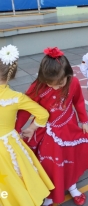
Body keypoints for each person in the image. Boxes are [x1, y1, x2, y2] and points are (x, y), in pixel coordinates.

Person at [15, 47, 88, 206]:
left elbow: (78, 101)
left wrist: (84, 120)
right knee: (49, 163)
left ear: (68, 74)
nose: (56, 87)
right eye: (51, 84)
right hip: (45, 131)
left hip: (68, 127)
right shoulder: (37, 87)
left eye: (60, 83)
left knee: (69, 156)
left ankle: (71, 185)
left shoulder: (74, 82)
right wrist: (15, 129)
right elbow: (24, 110)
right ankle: (50, 192)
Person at [0, 44, 54, 206]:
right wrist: (31, 128)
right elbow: (43, 114)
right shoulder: (16, 97)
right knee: (20, 174)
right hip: (8, 144)